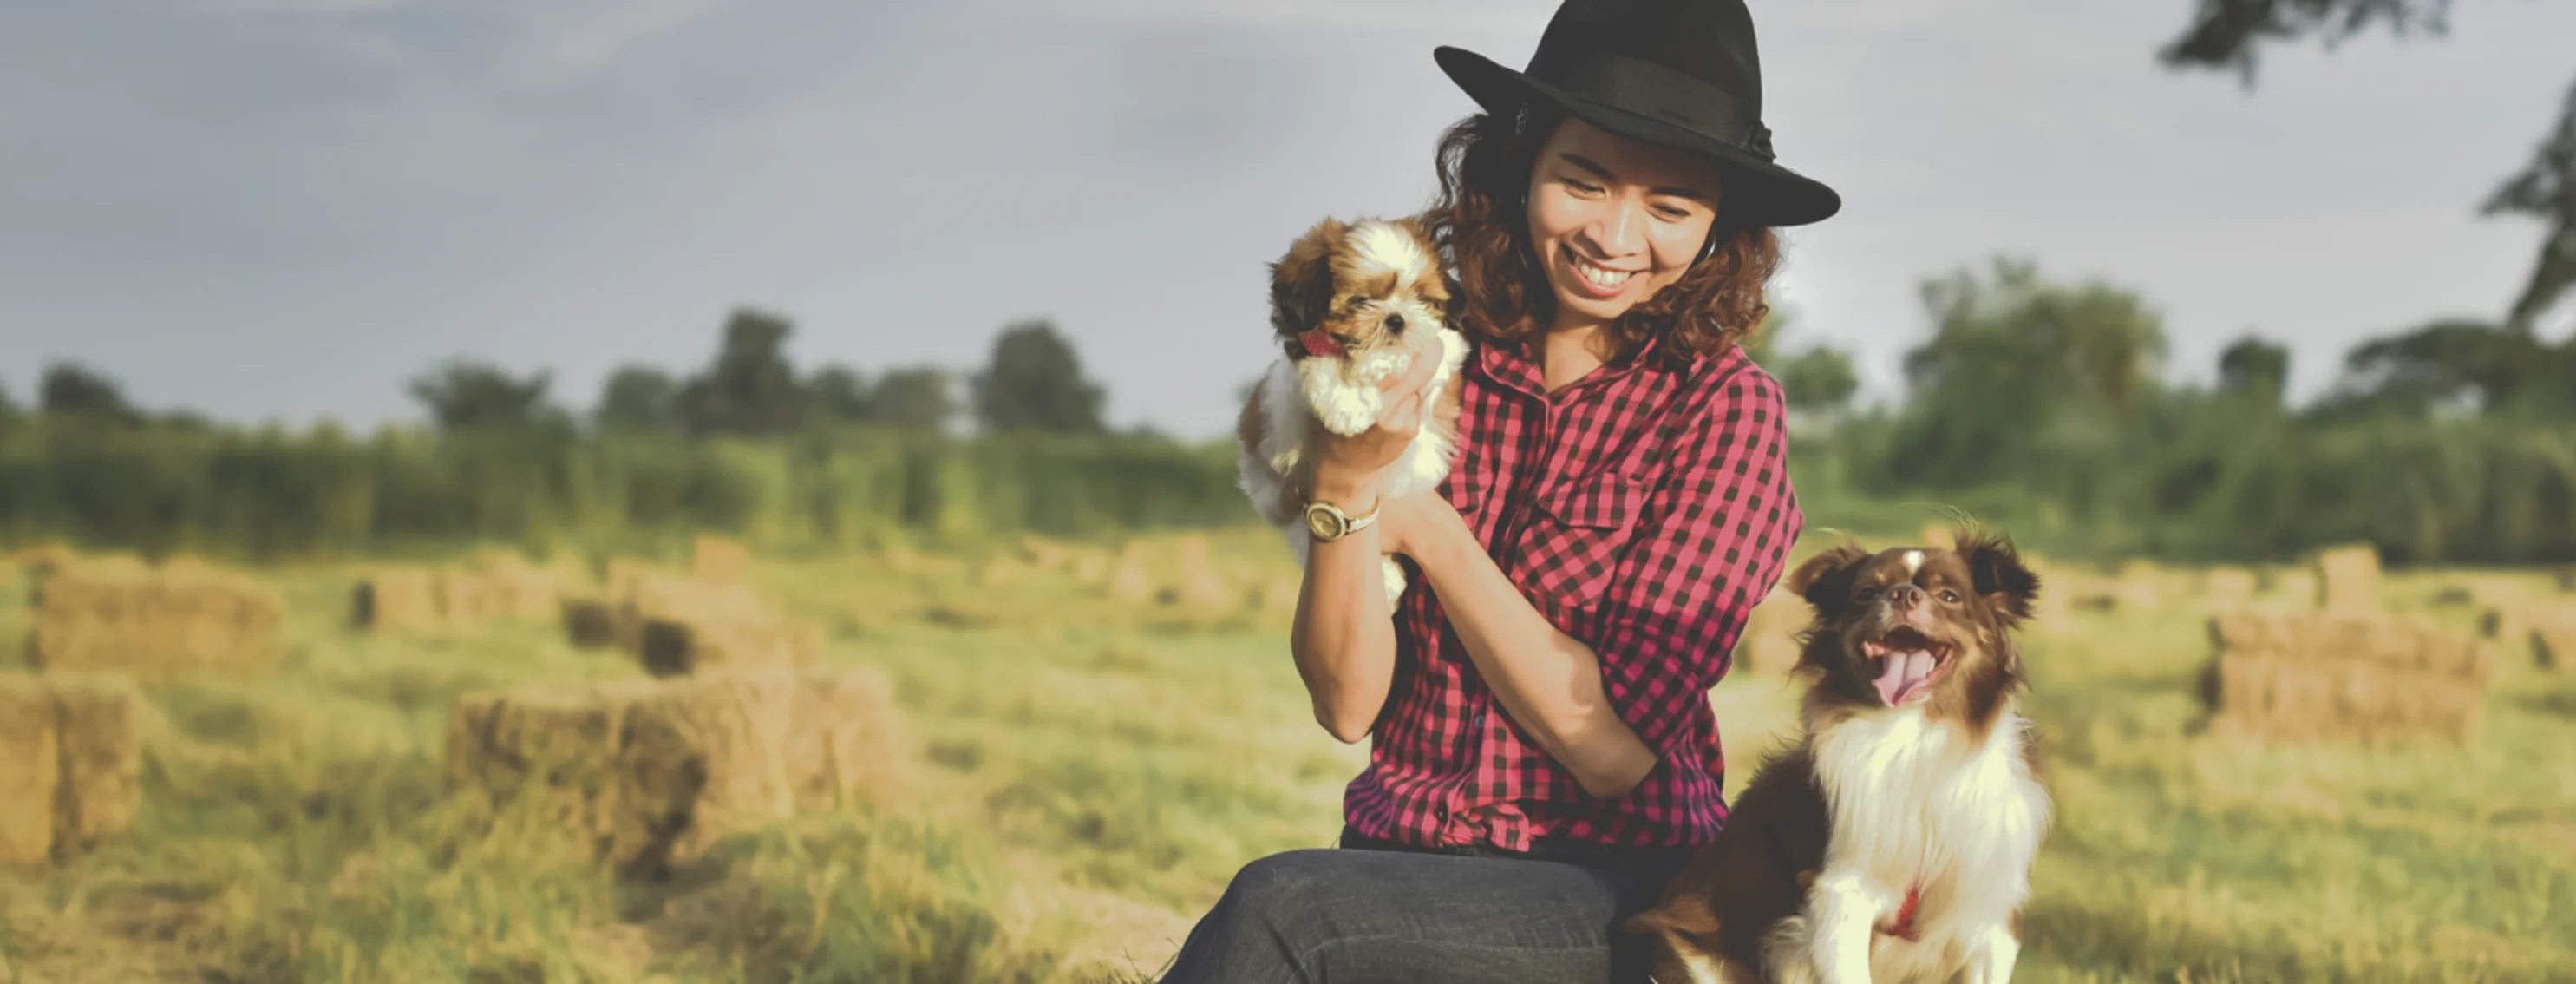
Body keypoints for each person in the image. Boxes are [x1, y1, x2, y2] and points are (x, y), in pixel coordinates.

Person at [1160, 0, 1840, 981]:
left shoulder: (1725, 414)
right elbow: (1348, 705)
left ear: (1718, 225)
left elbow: (1609, 752)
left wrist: (1431, 533)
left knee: (1281, 911)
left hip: (1612, 885)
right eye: (1584, 179)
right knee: (1305, 905)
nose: (1616, 234)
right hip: (1398, 863)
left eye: (1671, 206)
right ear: (1521, 165)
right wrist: (1347, 494)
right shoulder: (1432, 362)